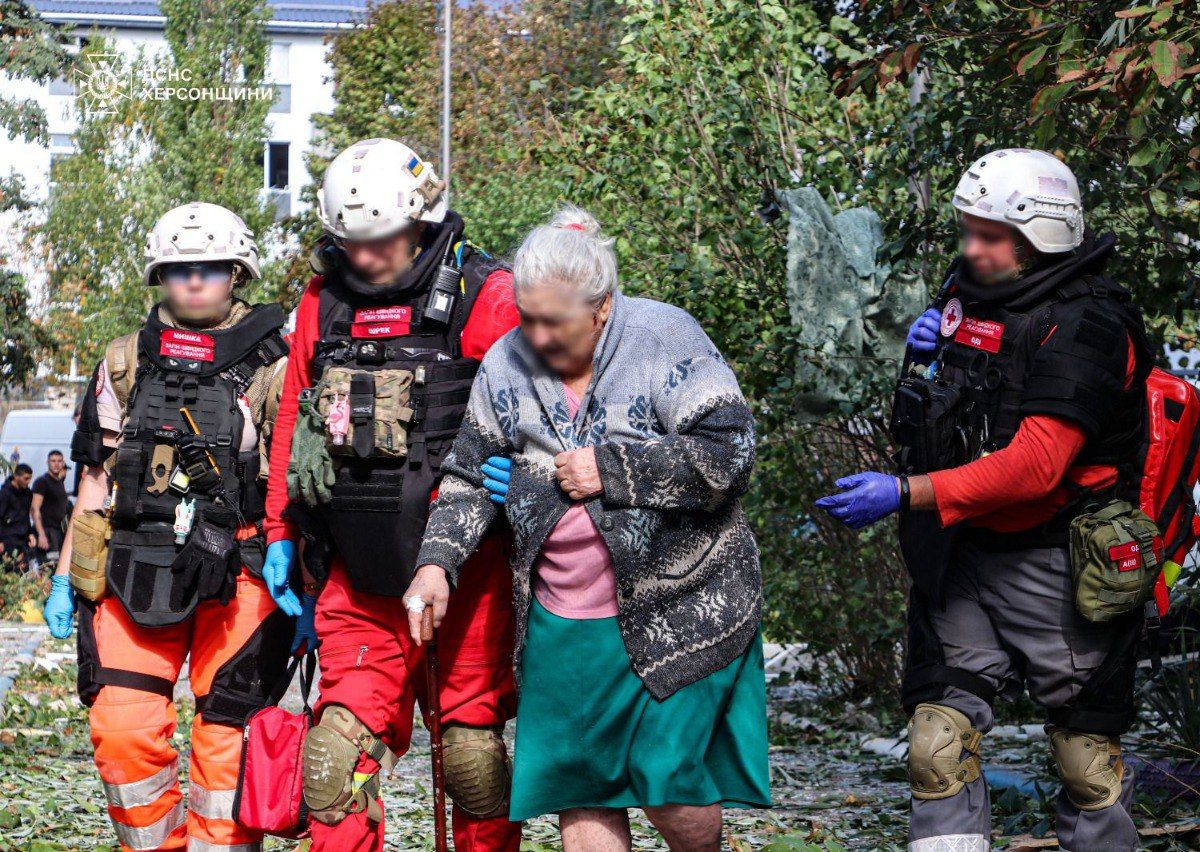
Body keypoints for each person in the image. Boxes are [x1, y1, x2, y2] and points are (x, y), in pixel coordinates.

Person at [408, 205, 772, 852]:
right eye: (527, 317)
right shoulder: (506, 362)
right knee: (580, 791)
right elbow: (467, 475)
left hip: (677, 604)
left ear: (601, 307)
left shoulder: (663, 338)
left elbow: (731, 451)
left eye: (555, 321)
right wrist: (436, 563)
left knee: (669, 787)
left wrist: (612, 468)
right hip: (563, 619)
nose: (537, 335)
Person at [817, 149, 1150, 852]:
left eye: (989, 236)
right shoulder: (970, 291)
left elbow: (1034, 468)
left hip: (1056, 561)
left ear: (1040, 236)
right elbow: (944, 409)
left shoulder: (1088, 326)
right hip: (963, 555)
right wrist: (925, 358)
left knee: (1086, 762)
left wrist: (904, 493)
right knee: (936, 746)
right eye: (967, 230)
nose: (970, 248)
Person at [260, 137, 522, 852]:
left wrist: (527, 481)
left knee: (473, 761)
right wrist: (281, 531)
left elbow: (541, 410)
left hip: (470, 573)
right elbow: (293, 420)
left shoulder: (486, 294)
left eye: (380, 242)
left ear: (420, 219)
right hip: (358, 569)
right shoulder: (324, 300)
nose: (365, 257)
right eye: (351, 243)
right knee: (333, 762)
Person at [42, 201, 295, 851]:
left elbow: (295, 484)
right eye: (180, 268)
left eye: (210, 267)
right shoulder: (124, 361)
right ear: (160, 275)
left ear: (237, 271)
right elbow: (95, 478)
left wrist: (308, 573)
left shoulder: (278, 362)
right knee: (121, 732)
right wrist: (67, 576)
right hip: (136, 563)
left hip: (242, 570)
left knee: (229, 741)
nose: (195, 280)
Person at [31, 450, 70, 562]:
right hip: (46, 533)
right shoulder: (42, 482)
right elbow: (34, 509)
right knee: (47, 567)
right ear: (47, 462)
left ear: (63, 463)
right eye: (53, 461)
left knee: (56, 566)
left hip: (57, 533)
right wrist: (41, 534)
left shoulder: (59, 483)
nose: (56, 464)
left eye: (59, 461)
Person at [0, 463, 36, 570]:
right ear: (16, 476)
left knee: (22, 571)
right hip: (7, 540)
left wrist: (30, 534)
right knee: (8, 570)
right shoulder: (5, 493)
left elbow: (26, 516)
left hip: (22, 541)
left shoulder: (28, 494)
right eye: (26, 478)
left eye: (30, 478)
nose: (28, 482)